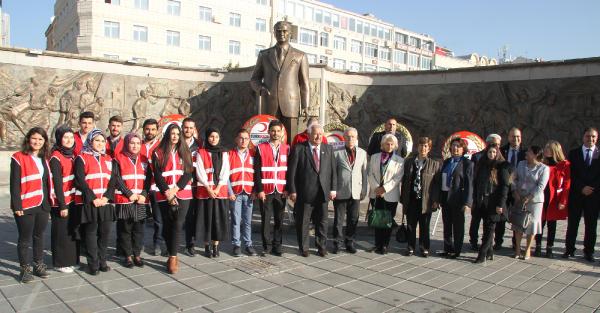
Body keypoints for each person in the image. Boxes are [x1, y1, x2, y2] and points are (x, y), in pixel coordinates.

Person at [250, 20, 310, 141]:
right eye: (278, 31)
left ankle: (291, 160)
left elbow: (304, 83)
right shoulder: (264, 55)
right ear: (274, 33)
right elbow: (254, 79)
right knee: (269, 139)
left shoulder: (300, 55)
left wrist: (305, 105)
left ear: (291, 33)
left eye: (285, 31)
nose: (281, 33)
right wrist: (260, 88)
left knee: (292, 140)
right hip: (270, 103)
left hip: (291, 103)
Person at [288, 124, 337, 257]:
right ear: (308, 135)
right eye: (315, 134)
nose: (318, 136)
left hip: (323, 193)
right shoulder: (299, 149)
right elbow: (292, 172)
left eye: (321, 134)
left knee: (322, 222)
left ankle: (321, 246)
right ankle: (304, 247)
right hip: (304, 193)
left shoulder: (328, 149)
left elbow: (333, 171)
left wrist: (333, 189)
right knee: (303, 222)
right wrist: (292, 190)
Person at [10, 127, 52, 283]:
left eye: (41, 139)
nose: (37, 142)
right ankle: (24, 269)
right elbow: (14, 184)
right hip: (26, 203)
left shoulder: (45, 158)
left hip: (42, 204)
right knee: (25, 238)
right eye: (34, 138)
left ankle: (38, 265)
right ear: (28, 139)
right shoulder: (18, 157)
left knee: (39, 236)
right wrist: (17, 206)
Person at [151, 123, 193, 274]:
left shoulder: (185, 151)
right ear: (168, 134)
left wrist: (176, 189)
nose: (175, 136)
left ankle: (173, 257)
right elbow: (157, 175)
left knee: (177, 224)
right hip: (164, 194)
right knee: (167, 226)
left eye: (177, 133)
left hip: (183, 193)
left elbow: (188, 172)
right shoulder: (158, 152)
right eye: (172, 133)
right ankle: (170, 253)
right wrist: (168, 192)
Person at [74, 128, 116, 275]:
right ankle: (93, 263)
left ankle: (102, 260)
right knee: (91, 232)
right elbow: (80, 180)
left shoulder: (109, 159)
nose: (100, 143)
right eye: (97, 140)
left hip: (105, 202)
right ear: (90, 141)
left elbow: (113, 180)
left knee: (105, 233)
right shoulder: (82, 158)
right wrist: (93, 198)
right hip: (90, 202)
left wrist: (106, 197)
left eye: (102, 140)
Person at [400, 137, 441, 257]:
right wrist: (403, 198)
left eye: (426, 146)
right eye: (421, 145)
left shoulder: (434, 164)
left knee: (424, 226)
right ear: (417, 147)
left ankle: (424, 248)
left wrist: (435, 200)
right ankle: (410, 247)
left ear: (429, 149)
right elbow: (405, 181)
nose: (423, 148)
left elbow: (436, 185)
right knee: (411, 225)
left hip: (426, 200)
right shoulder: (409, 162)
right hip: (412, 199)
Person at [113, 133, 150, 268]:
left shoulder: (144, 160)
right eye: (132, 143)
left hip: (140, 200)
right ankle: (127, 255)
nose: (135, 146)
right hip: (125, 200)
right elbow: (117, 179)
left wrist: (144, 194)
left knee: (138, 229)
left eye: (138, 143)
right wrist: (129, 194)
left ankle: (137, 254)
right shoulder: (119, 158)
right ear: (127, 144)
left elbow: (148, 180)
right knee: (126, 229)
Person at [563, 127, 599, 262]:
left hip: (593, 196)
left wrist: (592, 188)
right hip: (577, 194)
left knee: (591, 225)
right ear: (583, 137)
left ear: (597, 138)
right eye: (588, 136)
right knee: (573, 224)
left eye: (593, 137)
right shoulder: (574, 153)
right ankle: (569, 249)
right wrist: (581, 187)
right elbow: (570, 174)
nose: (590, 139)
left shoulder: (599, 153)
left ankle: (589, 251)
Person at [254, 120, 289, 256]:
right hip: (266, 191)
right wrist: (260, 190)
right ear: (268, 132)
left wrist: (288, 189)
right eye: (273, 131)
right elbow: (257, 170)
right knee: (266, 220)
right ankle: (266, 246)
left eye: (278, 131)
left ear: (282, 133)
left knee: (280, 220)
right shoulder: (261, 148)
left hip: (281, 190)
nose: (275, 133)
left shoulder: (287, 148)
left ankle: (277, 246)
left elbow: (289, 171)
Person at [195, 128, 230, 258]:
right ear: (207, 138)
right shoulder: (201, 152)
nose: (213, 139)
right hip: (205, 192)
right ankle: (206, 246)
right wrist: (209, 189)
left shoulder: (224, 153)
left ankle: (216, 246)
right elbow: (200, 172)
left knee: (218, 220)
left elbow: (225, 172)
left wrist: (218, 188)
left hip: (219, 192)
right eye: (211, 136)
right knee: (206, 219)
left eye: (216, 136)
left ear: (219, 138)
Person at [472, 144, 510, 264]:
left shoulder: (501, 167)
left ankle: (481, 254)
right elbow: (476, 184)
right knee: (485, 227)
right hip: (481, 200)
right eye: (490, 152)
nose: (492, 154)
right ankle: (489, 251)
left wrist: (500, 204)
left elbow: (504, 187)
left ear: (497, 153)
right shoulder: (481, 165)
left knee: (489, 228)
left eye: (494, 152)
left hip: (494, 202)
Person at [332, 128, 367, 254]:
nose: (350, 139)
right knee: (339, 219)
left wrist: (364, 189)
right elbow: (334, 174)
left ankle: (349, 242)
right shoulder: (337, 153)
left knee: (353, 219)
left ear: (356, 138)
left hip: (356, 191)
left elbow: (364, 173)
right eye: (348, 136)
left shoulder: (362, 153)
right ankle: (337, 242)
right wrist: (333, 189)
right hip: (341, 191)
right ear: (344, 138)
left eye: (352, 136)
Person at [49, 126, 79, 273]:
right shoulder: (56, 156)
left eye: (71, 138)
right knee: (61, 232)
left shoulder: (72, 155)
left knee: (71, 231)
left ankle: (72, 259)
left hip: (72, 199)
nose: (69, 140)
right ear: (59, 139)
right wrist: (62, 205)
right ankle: (60, 262)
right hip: (61, 202)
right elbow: (57, 183)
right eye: (65, 137)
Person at [368, 134, 404, 254]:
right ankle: (377, 244)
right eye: (387, 144)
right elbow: (370, 174)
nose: (389, 146)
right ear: (382, 145)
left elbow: (397, 178)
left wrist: (384, 189)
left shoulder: (399, 160)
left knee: (388, 221)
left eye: (391, 144)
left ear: (395, 146)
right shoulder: (374, 157)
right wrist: (376, 188)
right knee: (378, 220)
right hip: (376, 194)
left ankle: (385, 245)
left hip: (390, 195)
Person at [534, 140, 570, 259]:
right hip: (541, 196)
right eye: (545, 148)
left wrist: (563, 201)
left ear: (554, 150)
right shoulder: (540, 163)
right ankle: (538, 246)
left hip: (554, 198)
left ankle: (549, 247)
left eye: (548, 148)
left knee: (552, 224)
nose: (545, 150)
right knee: (540, 222)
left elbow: (566, 184)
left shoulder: (564, 165)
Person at [512, 146, 550, 260]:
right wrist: (515, 192)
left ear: (535, 154)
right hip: (519, 198)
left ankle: (528, 248)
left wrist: (529, 197)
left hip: (534, 201)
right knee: (518, 223)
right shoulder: (521, 164)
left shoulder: (544, 168)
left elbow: (541, 186)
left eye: (528, 152)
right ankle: (518, 249)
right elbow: (513, 178)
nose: (526, 153)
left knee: (531, 225)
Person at [439, 137, 473, 259]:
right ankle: (447, 248)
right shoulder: (447, 161)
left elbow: (469, 184)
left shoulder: (467, 164)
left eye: (458, 146)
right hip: (445, 198)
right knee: (446, 224)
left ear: (463, 149)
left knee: (458, 226)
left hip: (458, 199)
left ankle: (457, 250)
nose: (455, 148)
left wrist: (468, 203)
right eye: (453, 146)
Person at [469, 134, 502, 251]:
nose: (496, 147)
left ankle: (487, 245)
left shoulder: (500, 160)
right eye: (494, 144)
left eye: (498, 145)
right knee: (475, 221)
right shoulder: (477, 157)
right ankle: (473, 241)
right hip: (479, 195)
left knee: (489, 223)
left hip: (491, 197)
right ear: (487, 144)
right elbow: (473, 177)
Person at [228, 129, 257, 257]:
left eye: (246, 138)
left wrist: (255, 190)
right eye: (241, 138)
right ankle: (236, 244)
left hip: (249, 193)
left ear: (249, 140)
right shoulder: (230, 154)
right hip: (235, 193)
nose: (244, 140)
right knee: (235, 220)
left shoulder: (253, 154)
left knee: (247, 221)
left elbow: (257, 175)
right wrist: (229, 191)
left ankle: (248, 244)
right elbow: (225, 176)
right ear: (236, 139)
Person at [496, 127, 526, 250]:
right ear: (508, 138)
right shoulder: (501, 151)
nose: (516, 139)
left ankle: (515, 243)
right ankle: (498, 241)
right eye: (513, 136)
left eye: (518, 136)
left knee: (517, 216)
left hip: (518, 190)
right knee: (501, 216)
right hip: (503, 188)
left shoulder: (525, 153)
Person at [140, 118, 165, 256]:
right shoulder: (138, 145)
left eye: (153, 129)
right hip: (140, 188)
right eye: (147, 129)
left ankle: (157, 243)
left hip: (156, 187)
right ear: (144, 130)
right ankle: (140, 243)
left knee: (158, 219)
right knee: (141, 217)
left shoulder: (161, 147)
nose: (150, 132)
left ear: (157, 130)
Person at [182, 117, 202, 257]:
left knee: (191, 217)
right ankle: (170, 243)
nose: (188, 130)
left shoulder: (200, 145)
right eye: (186, 127)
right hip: (178, 186)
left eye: (191, 128)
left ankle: (190, 244)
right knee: (176, 217)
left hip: (194, 186)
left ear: (194, 129)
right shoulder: (176, 143)